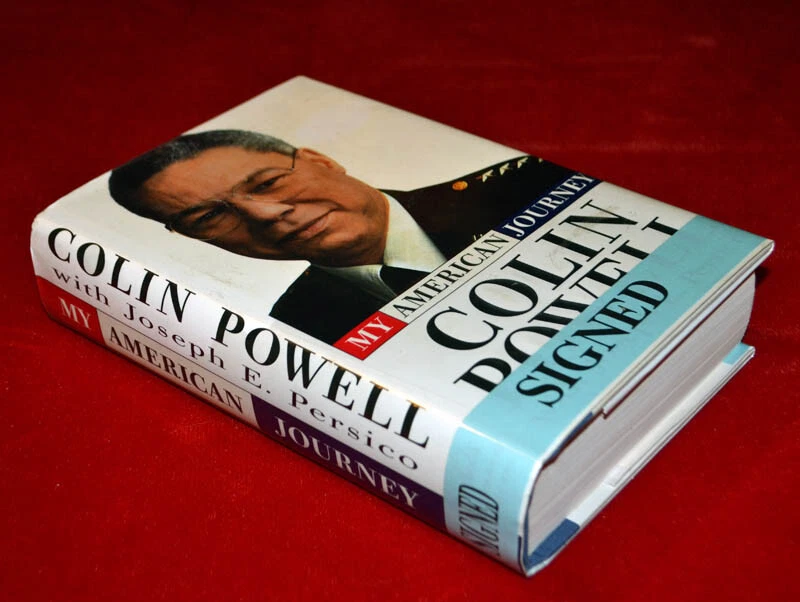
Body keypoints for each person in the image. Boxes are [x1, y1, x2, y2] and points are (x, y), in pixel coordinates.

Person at [109, 129, 572, 343]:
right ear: (190, 237)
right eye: (210, 216)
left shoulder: (531, 185)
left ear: (323, 162)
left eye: (268, 183)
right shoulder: (299, 335)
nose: (267, 214)